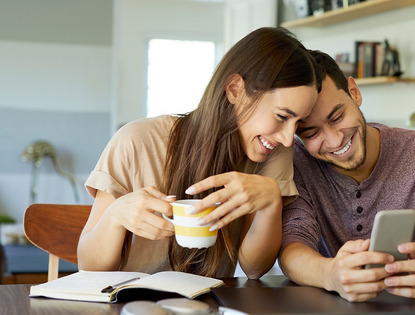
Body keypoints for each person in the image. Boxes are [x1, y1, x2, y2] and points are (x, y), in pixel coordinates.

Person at [78, 27, 321, 279]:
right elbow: (88, 266)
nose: (286, 137)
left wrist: (270, 202)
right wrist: (115, 217)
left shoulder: (273, 151)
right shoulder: (136, 141)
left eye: (298, 123)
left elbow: (254, 268)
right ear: (236, 89)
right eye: (282, 116)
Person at [279, 50, 415, 302]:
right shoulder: (296, 165)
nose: (335, 140)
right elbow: (292, 245)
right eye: (311, 133)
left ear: (354, 92)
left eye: (337, 116)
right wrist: (330, 274)